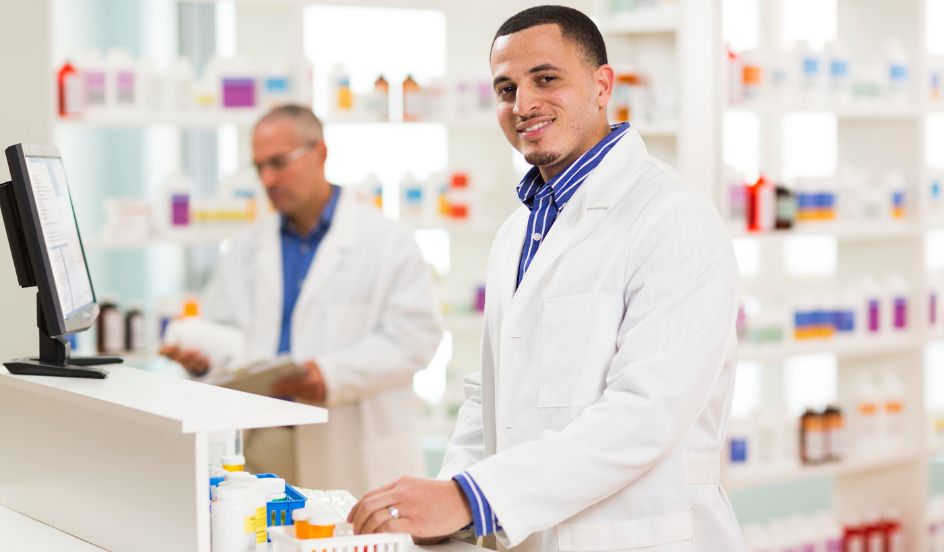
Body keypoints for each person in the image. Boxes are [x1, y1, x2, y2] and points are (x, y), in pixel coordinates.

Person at [347, 6, 744, 551]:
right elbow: (488, 392)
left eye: (546, 79)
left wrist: (472, 497)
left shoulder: (673, 218)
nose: (523, 104)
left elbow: (645, 413)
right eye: (505, 88)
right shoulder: (517, 231)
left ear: (602, 85)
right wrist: (455, 504)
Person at [160, 104, 444, 496]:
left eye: (279, 162)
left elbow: (415, 338)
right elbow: (228, 335)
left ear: (320, 153)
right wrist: (203, 360)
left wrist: (329, 375)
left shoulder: (385, 240)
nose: (269, 179)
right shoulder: (245, 246)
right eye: (260, 167)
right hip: (262, 439)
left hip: (345, 439)